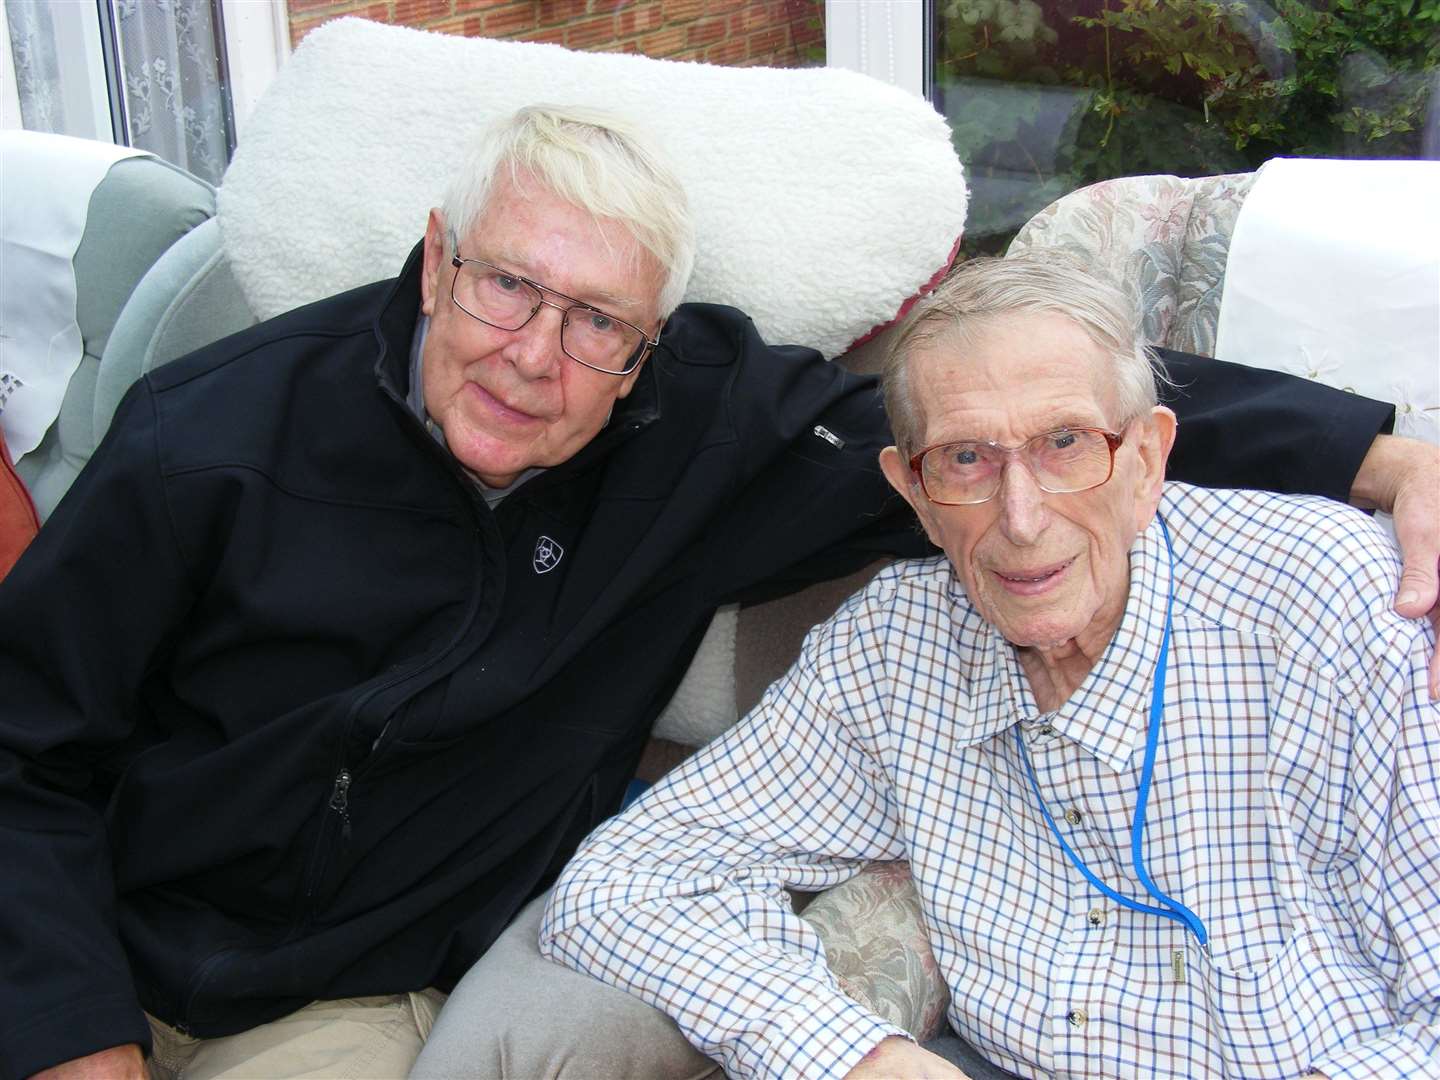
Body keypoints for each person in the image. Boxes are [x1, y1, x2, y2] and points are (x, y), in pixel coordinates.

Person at [0, 104, 1433, 1080]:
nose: (533, 354)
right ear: (434, 264)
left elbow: (1029, 410)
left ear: (644, 354)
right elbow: (20, 755)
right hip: (90, 929)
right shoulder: (209, 439)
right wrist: (75, 1036)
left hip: (330, 999)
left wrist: (1375, 455)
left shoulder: (701, 441)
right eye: (505, 285)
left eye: (597, 321)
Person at [540, 254, 1440, 1080]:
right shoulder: (895, 652)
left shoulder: (1333, 603)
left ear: (1148, 459)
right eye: (966, 459)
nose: (1020, 517)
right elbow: (621, 882)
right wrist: (859, 1059)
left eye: (1065, 444)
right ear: (915, 494)